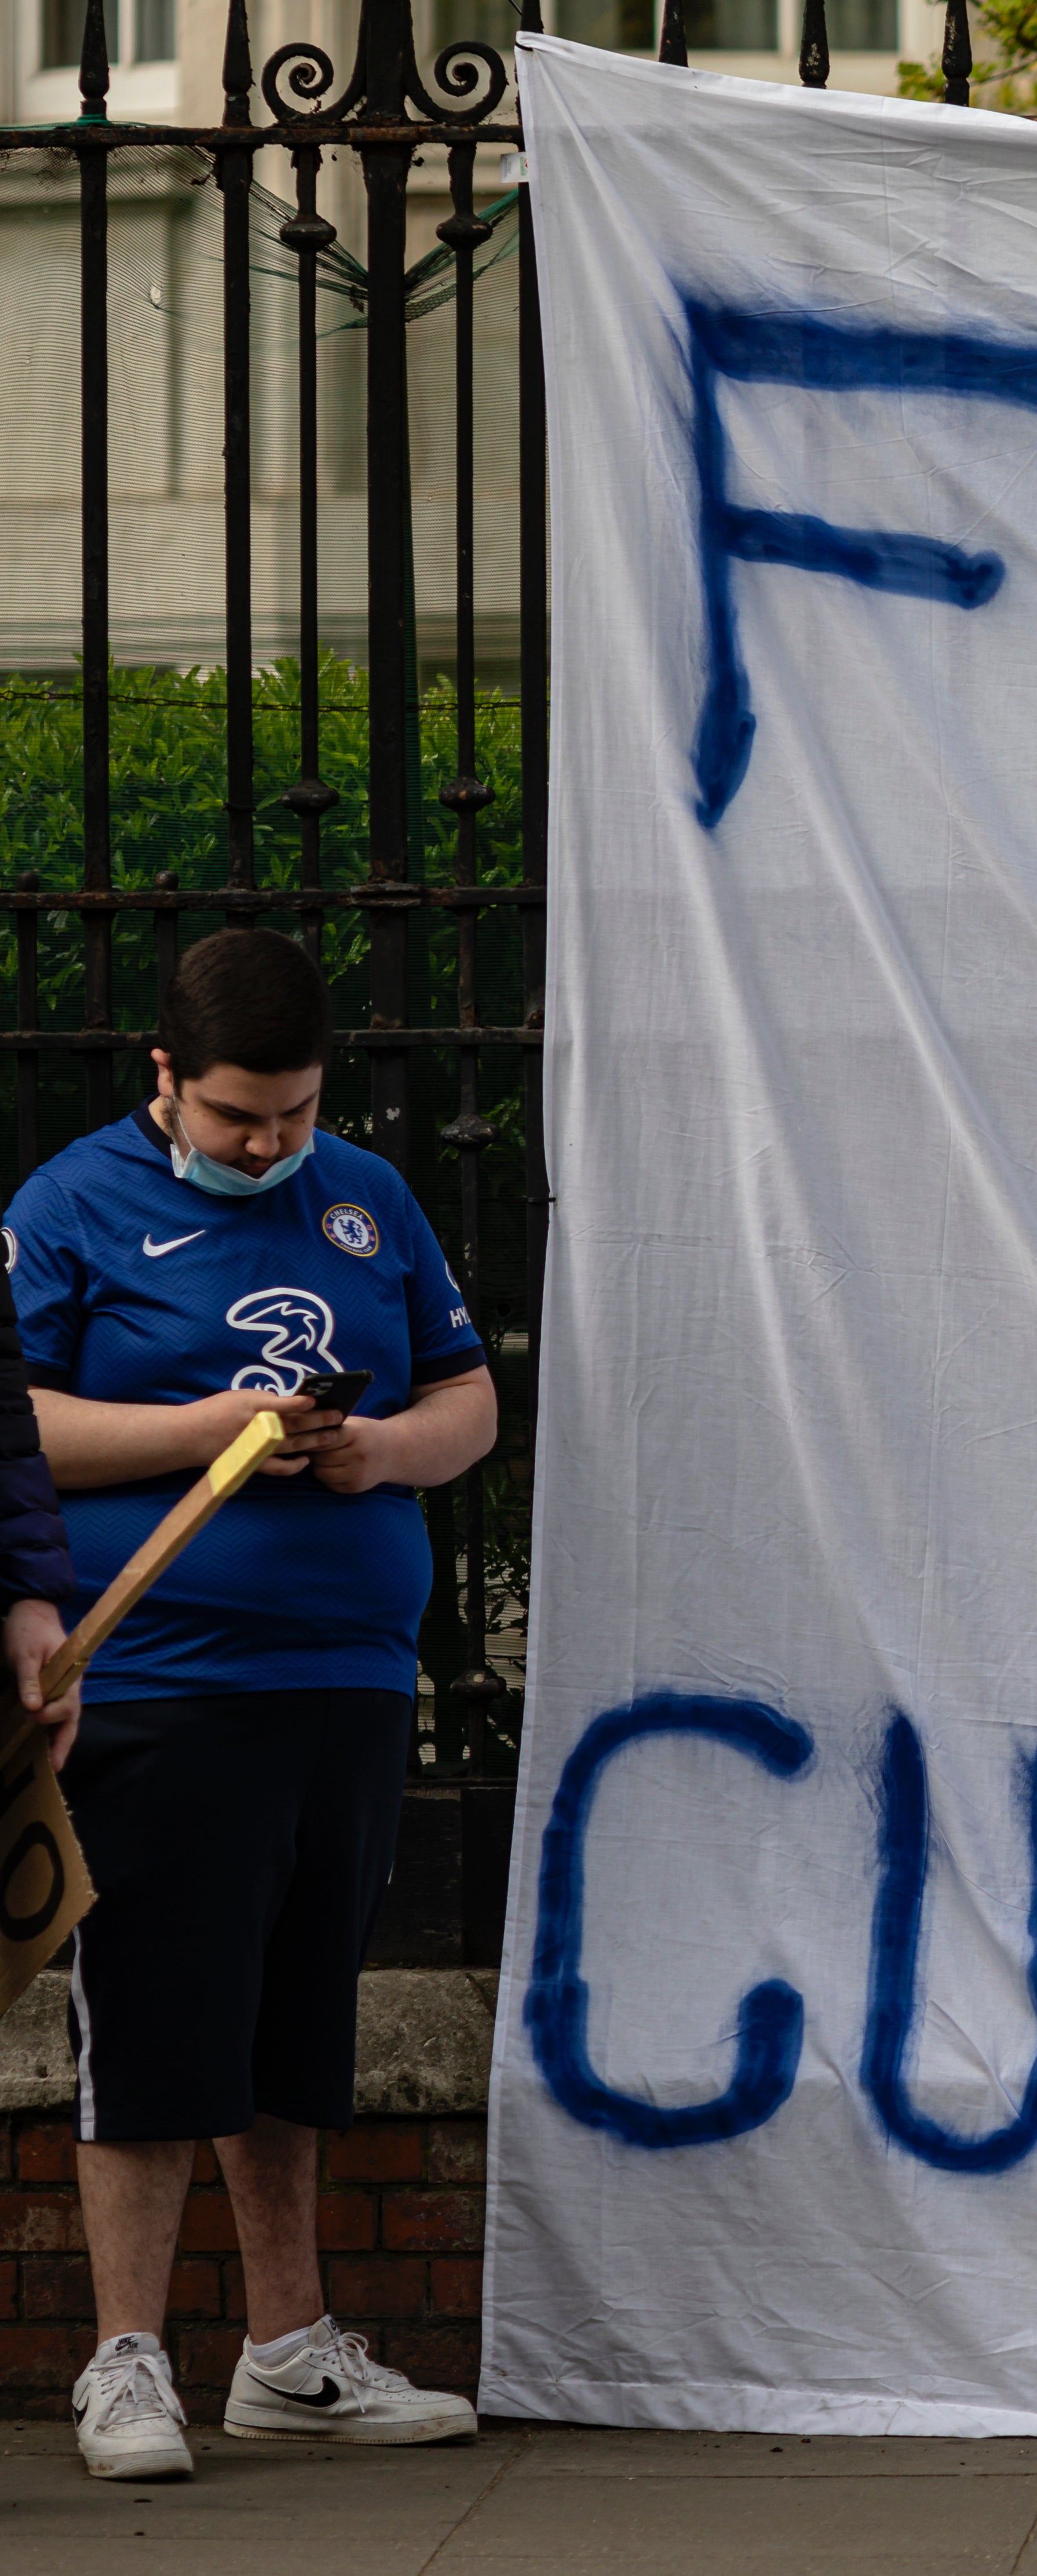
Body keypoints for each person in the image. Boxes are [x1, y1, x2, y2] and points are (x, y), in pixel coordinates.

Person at [11, 929, 499, 2482]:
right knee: (159, 2018)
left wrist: (384, 1456)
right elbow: (12, 1419)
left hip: (342, 1679)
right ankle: (127, 2358)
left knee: (297, 2025)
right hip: (164, 1680)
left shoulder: (369, 1198)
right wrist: (203, 1427)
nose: (268, 1144)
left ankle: (289, 2353)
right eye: (236, 1116)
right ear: (165, 1079)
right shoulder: (73, 1203)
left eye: (292, 1112)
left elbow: (465, 1394)